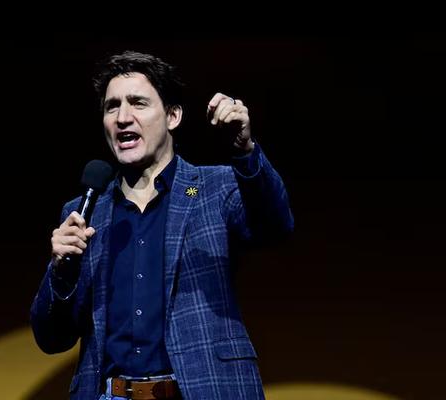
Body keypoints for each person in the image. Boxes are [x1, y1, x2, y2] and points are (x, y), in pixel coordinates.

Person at [31, 50, 294, 400]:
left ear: (172, 116)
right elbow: (52, 338)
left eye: (138, 103)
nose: (123, 117)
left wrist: (244, 150)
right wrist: (60, 271)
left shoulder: (216, 189)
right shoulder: (83, 212)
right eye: (112, 107)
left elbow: (275, 226)